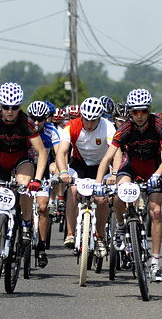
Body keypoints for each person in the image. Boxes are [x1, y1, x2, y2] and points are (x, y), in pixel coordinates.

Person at [94, 88, 162, 282]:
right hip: (130, 168)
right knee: (120, 192)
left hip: (152, 169)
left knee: (155, 211)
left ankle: (155, 262)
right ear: (130, 112)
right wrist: (98, 183)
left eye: (143, 111)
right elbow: (107, 158)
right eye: (135, 112)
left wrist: (157, 174)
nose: (139, 116)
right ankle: (121, 226)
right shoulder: (125, 129)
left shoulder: (159, 126)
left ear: (149, 110)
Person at [0, 82, 48, 249]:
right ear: (0, 106)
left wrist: (37, 179)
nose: (9, 111)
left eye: (14, 107)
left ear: (19, 107)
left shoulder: (26, 122)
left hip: (21, 159)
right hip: (1, 161)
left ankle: (26, 224)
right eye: (5, 107)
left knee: (24, 185)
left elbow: (42, 152)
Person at [56, 97, 119, 258]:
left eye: (94, 121)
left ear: (100, 118)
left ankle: (99, 237)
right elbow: (62, 152)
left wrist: (114, 174)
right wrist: (63, 171)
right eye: (86, 120)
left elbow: (117, 152)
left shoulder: (108, 127)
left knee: (101, 199)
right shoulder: (71, 126)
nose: (89, 124)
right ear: (81, 116)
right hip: (79, 164)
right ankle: (70, 233)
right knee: (74, 191)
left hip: (101, 165)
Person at [26, 100, 61, 268]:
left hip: (43, 172)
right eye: (34, 118)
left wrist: (63, 171)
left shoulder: (51, 131)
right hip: (24, 170)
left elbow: (61, 152)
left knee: (42, 207)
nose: (37, 123)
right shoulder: (24, 128)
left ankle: (41, 246)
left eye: (41, 119)